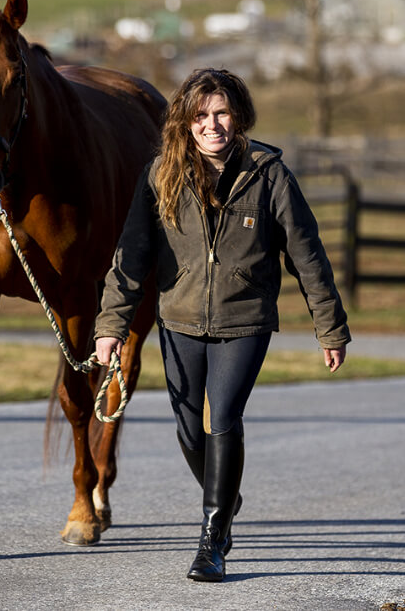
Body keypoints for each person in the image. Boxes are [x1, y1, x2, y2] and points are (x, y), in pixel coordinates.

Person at [94, 68, 350, 583]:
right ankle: (226, 492)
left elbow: (308, 255)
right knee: (190, 430)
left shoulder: (269, 174)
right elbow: (132, 254)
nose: (212, 124)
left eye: (222, 113)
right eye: (201, 115)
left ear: (238, 116)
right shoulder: (160, 175)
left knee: (223, 417)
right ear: (185, 122)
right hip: (179, 318)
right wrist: (111, 325)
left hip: (245, 319)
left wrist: (330, 326)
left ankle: (213, 539)